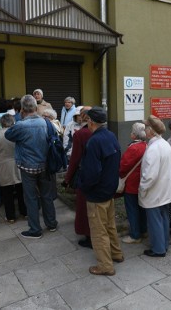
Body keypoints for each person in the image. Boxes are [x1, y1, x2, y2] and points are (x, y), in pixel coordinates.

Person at [76, 107, 123, 276]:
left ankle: (105, 266)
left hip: (97, 194)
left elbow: (91, 173)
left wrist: (83, 185)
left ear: (91, 122)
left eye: (87, 120)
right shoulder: (110, 135)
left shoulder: (94, 141)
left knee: (98, 231)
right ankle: (116, 254)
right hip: (109, 189)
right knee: (110, 225)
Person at [4, 95, 58, 239]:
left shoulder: (20, 125)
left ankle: (35, 230)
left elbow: (8, 135)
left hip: (27, 166)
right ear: (35, 107)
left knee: (31, 198)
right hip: (45, 165)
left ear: (22, 109)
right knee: (46, 196)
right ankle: (51, 224)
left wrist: (19, 118)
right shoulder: (46, 122)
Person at [139, 115, 171, 257]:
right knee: (163, 217)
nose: (144, 130)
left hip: (155, 192)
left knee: (155, 220)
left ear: (151, 131)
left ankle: (158, 249)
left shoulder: (153, 148)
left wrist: (142, 188)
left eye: (146, 128)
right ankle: (164, 244)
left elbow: (149, 175)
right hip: (164, 190)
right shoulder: (164, 144)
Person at [62, 106, 93, 248]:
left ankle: (89, 236)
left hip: (85, 175)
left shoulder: (81, 134)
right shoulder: (105, 132)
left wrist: (67, 178)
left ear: (84, 117)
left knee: (84, 207)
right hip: (100, 177)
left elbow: (75, 159)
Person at [0, 114, 26, 223]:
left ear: (1, 123)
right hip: (20, 164)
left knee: (7, 193)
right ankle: (25, 212)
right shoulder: (18, 133)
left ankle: (10, 216)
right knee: (22, 190)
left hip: (4, 166)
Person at [119, 123, 147, 244]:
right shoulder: (146, 145)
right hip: (141, 182)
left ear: (134, 135)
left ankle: (135, 235)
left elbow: (123, 166)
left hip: (131, 184)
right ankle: (143, 230)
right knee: (142, 209)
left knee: (132, 210)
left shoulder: (133, 148)